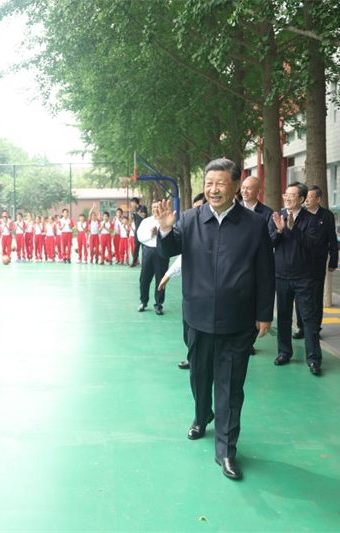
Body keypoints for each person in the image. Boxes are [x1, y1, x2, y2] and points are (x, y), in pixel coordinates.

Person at [155, 158, 275, 480]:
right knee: (199, 376)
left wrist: (265, 313)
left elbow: (265, 271)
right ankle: (200, 416)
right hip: (197, 317)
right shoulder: (191, 219)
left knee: (230, 387)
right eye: (209, 183)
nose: (213, 189)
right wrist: (167, 227)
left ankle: (226, 450)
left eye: (220, 183)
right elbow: (168, 250)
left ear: (236, 185)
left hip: (237, 321)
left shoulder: (254, 225)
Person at [269, 182, 323, 375]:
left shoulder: (312, 220)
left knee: (308, 319)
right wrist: (280, 230)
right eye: (286, 194)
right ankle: (284, 352)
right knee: (283, 316)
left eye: (293, 195)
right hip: (281, 276)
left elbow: (313, 245)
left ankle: (313, 359)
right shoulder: (277, 217)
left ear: (302, 199)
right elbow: (269, 243)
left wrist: (293, 229)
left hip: (304, 278)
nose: (288, 198)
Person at [157, 193, 206, 371]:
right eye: (194, 208)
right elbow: (181, 256)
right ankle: (193, 357)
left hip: (215, 293)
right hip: (193, 292)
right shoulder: (190, 227)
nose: (197, 212)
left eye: (200, 207)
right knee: (189, 330)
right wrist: (168, 275)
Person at [293, 185, 339, 339]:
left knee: (316, 295)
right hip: (301, 260)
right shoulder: (301, 214)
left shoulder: (327, 216)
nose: (306, 200)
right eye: (305, 198)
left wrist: (334, 259)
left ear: (318, 199)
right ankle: (301, 327)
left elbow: (332, 239)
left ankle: (315, 327)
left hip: (318, 261)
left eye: (310, 197)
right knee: (300, 296)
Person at [137, 207, 168, 315]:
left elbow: (170, 235)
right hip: (148, 250)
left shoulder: (166, 220)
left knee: (161, 279)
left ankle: (158, 304)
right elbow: (139, 236)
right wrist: (151, 234)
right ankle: (143, 301)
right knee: (144, 278)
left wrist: (159, 234)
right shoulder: (146, 221)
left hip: (161, 251)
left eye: (158, 206)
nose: (156, 209)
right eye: (154, 207)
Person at [130, 197, 145, 267]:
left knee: (143, 246)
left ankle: (145, 262)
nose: (131, 204)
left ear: (135, 202)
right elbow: (135, 220)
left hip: (143, 230)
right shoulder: (134, 210)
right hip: (137, 230)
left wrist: (137, 212)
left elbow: (144, 216)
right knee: (136, 246)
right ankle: (134, 261)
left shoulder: (143, 208)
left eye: (132, 203)